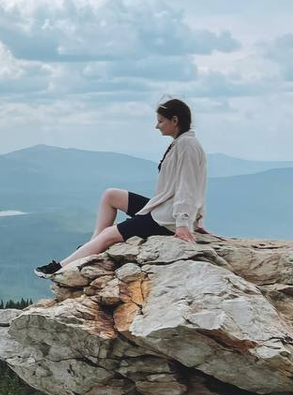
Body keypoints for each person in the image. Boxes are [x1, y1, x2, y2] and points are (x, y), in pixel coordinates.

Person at [35, 98, 209, 278]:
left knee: (109, 234)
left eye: (160, 121)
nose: (157, 126)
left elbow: (188, 186)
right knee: (110, 195)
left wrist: (184, 223)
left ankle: (60, 267)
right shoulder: (181, 142)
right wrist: (198, 219)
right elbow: (199, 183)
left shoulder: (187, 146)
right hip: (162, 209)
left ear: (175, 120)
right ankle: (93, 244)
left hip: (167, 220)